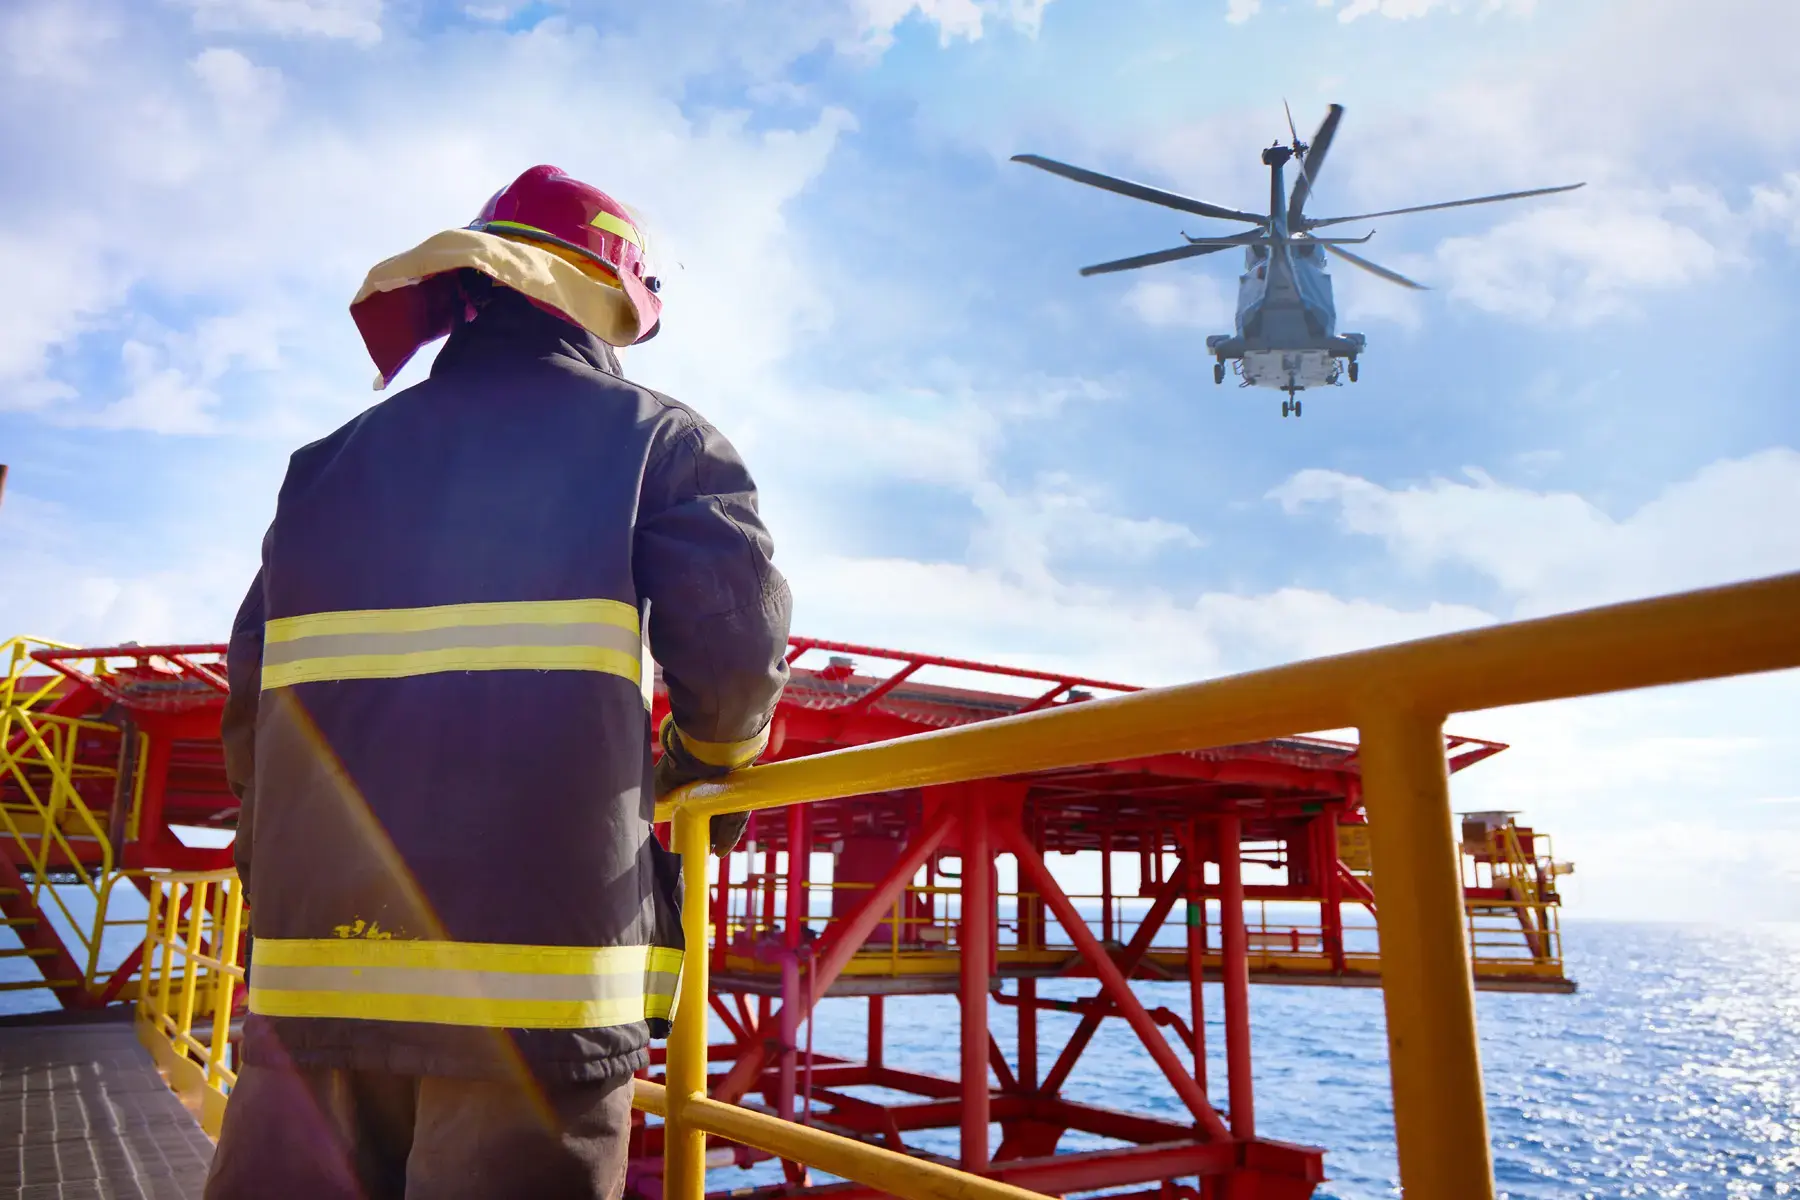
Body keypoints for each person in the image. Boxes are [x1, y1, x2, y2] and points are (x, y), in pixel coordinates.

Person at [205, 165, 791, 1200]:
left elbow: (251, 706)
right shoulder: (656, 440)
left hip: (312, 981)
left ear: (467, 289)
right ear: (606, 304)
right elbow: (737, 658)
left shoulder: (325, 465)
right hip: (528, 990)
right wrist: (703, 766)